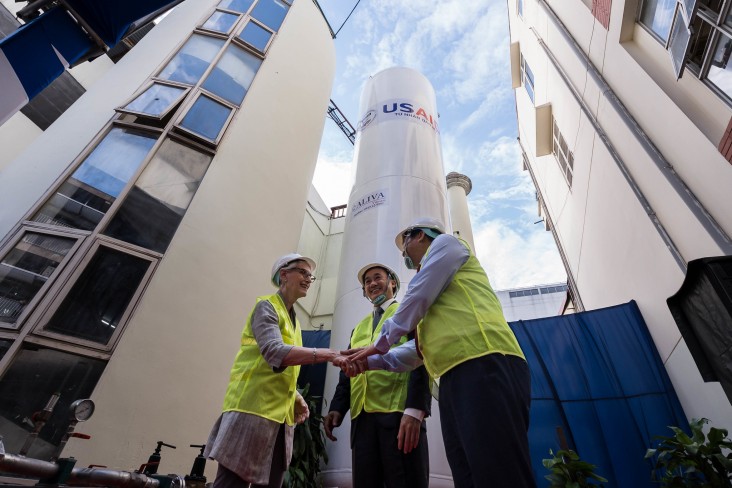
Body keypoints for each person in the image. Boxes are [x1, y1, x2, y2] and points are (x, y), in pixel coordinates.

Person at [345, 218, 536, 488]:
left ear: (420, 235)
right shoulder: (429, 300)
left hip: (484, 362)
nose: (404, 256)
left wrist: (378, 344)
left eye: (404, 247)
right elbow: (416, 353)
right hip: (453, 378)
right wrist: (369, 363)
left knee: (497, 471)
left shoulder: (448, 245)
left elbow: (416, 296)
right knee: (467, 473)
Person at [205, 253, 343, 488]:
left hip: (280, 417)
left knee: (271, 482)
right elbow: (275, 353)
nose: (309, 279)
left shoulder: (295, 323)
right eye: (303, 272)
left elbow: (283, 369)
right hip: (251, 410)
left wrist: (297, 397)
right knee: (232, 482)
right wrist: (327, 354)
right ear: (284, 274)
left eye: (311, 275)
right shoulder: (266, 307)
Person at [324, 263, 431, 488]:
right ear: (364, 291)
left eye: (377, 278)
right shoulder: (358, 328)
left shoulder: (408, 314)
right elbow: (348, 370)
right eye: (367, 282)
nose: (372, 284)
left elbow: (423, 359)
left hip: (399, 418)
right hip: (362, 423)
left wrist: (415, 411)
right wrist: (337, 407)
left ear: (393, 282)